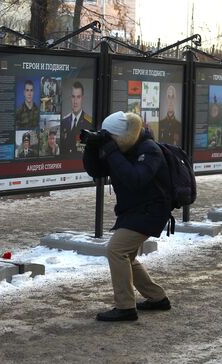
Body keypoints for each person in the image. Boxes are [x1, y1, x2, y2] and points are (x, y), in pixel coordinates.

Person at [82, 111, 172, 322]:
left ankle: (125, 307)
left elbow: (136, 179)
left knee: (116, 250)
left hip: (152, 210)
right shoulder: (121, 147)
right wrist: (92, 148)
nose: (108, 141)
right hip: (133, 210)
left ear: (121, 136)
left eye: (109, 136)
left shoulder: (149, 150)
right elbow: (96, 171)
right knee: (126, 256)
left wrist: (112, 152)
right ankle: (157, 298)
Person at [60, 81, 92, 157]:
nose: (75, 101)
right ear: (70, 98)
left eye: (78, 97)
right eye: (73, 96)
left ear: (82, 98)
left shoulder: (89, 123)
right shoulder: (64, 122)